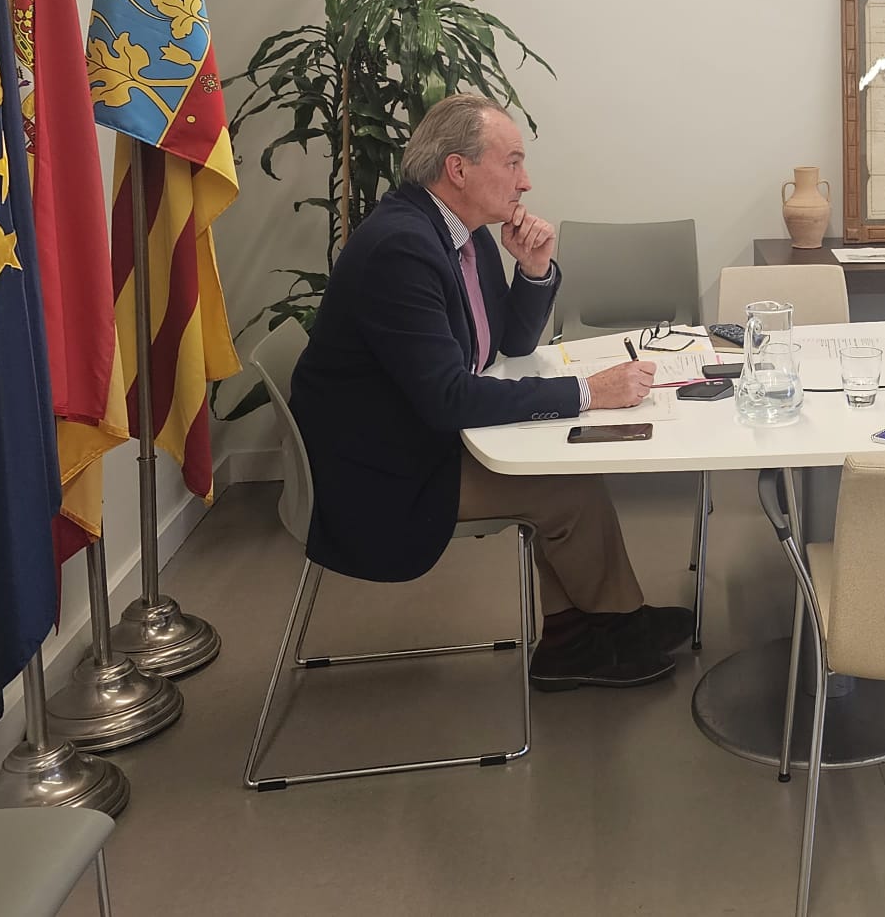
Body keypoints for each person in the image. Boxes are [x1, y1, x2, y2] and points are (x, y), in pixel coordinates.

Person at [291, 94, 691, 690]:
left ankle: (579, 632)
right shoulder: (402, 248)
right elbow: (448, 398)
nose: (525, 182)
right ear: (458, 169)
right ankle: (612, 628)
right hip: (378, 474)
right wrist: (586, 391)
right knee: (564, 490)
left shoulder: (465, 233)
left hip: (413, 439)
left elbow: (506, 342)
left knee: (562, 473)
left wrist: (532, 269)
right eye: (512, 162)